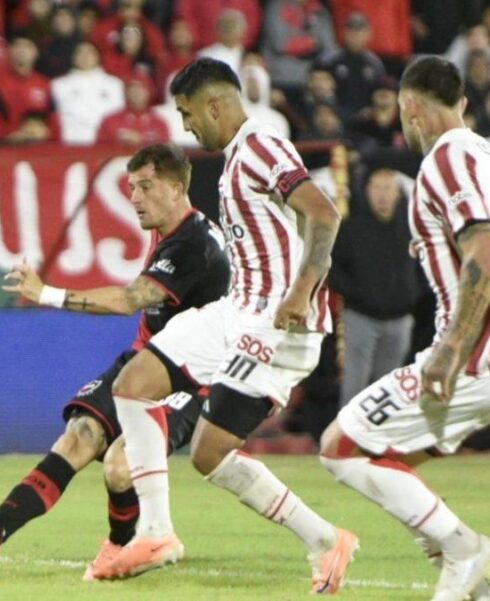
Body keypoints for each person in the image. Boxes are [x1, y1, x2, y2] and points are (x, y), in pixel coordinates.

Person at [93, 59, 357, 593]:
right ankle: (159, 530)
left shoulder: (262, 144)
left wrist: (302, 290)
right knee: (134, 387)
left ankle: (324, 540)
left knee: (206, 449)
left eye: (189, 113)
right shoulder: (238, 155)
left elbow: (324, 214)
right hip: (238, 313)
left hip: (275, 327)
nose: (187, 127)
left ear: (216, 105)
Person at [0, 143, 230, 580]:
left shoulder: (195, 244)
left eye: (146, 186)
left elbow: (129, 299)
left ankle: (118, 546)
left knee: (120, 465)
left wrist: (46, 294)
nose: (134, 197)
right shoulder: (167, 230)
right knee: (79, 435)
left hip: (192, 377)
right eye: (131, 187)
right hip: (147, 360)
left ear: (177, 189)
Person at [318, 56, 490, 601]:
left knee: (341, 447)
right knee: (390, 468)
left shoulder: (447, 158)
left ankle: (464, 550)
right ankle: (479, 592)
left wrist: (452, 347)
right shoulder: (485, 154)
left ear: (410, 107)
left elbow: (483, 253)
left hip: (475, 353)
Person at [330, 169, 420, 406]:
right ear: (367, 190)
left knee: (388, 388)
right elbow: (334, 268)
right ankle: (346, 440)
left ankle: (379, 441)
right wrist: (358, 295)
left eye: (387, 188)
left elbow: (424, 266)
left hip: (400, 319)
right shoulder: (351, 228)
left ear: (398, 194)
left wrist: (411, 295)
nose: (382, 195)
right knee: (354, 384)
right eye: (377, 188)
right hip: (360, 317)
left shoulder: (411, 229)